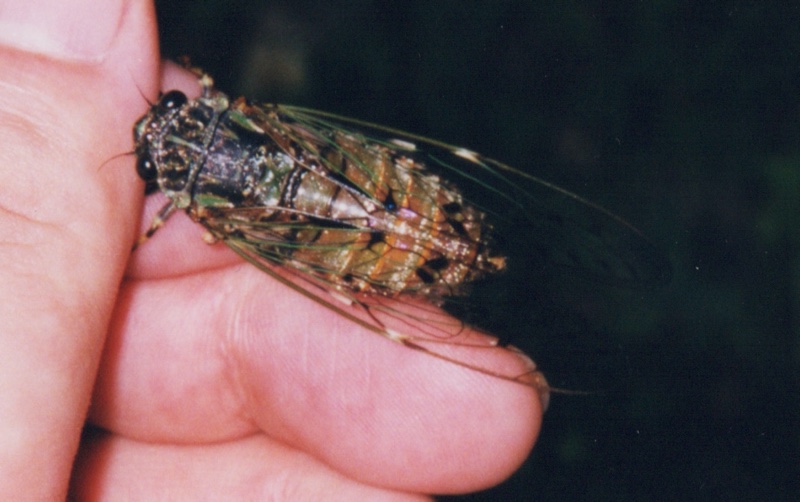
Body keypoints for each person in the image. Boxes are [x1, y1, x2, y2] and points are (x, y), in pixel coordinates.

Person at [0, 0, 544, 498]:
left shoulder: (197, 207)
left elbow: (154, 227)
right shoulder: (224, 117)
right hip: (347, 185)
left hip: (319, 227)